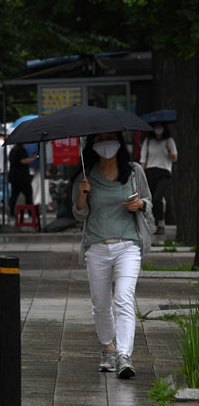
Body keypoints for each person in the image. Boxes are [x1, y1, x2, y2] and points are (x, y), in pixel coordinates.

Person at [72, 132, 152, 379]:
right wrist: (83, 194)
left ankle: (124, 355)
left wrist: (140, 204)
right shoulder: (85, 176)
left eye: (110, 138)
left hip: (128, 245)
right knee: (100, 303)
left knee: (124, 299)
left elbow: (148, 201)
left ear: (120, 142)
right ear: (93, 145)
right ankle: (108, 348)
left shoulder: (134, 171)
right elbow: (78, 215)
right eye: (100, 139)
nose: (106, 144)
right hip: (96, 247)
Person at [139, 123, 177, 235]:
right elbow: (143, 160)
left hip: (164, 172)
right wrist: (141, 175)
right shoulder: (148, 141)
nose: (158, 129)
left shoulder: (169, 141)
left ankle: (160, 223)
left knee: (158, 197)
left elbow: (175, 157)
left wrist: (169, 150)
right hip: (150, 172)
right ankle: (157, 221)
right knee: (151, 199)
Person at [8, 143, 38, 218]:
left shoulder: (13, 149)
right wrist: (33, 159)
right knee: (28, 194)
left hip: (14, 176)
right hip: (22, 176)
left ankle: (11, 212)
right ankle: (30, 213)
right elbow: (23, 161)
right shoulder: (21, 149)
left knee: (14, 195)